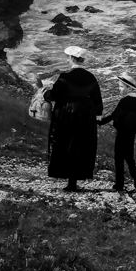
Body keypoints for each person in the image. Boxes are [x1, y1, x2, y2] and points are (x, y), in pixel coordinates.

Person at [44, 46, 103, 191]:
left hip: (66, 114)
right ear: (82, 60)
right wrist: (97, 116)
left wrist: (46, 92)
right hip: (86, 115)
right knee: (81, 146)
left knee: (65, 143)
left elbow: (54, 96)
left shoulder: (64, 77)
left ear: (71, 58)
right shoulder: (91, 77)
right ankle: (75, 180)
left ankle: (68, 180)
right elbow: (98, 100)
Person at [99, 72, 136, 192]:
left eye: (121, 86)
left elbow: (114, 115)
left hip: (122, 133)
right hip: (131, 134)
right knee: (129, 157)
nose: (119, 89)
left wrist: (99, 122)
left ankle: (119, 184)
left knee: (119, 158)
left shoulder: (124, 101)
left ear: (128, 88)